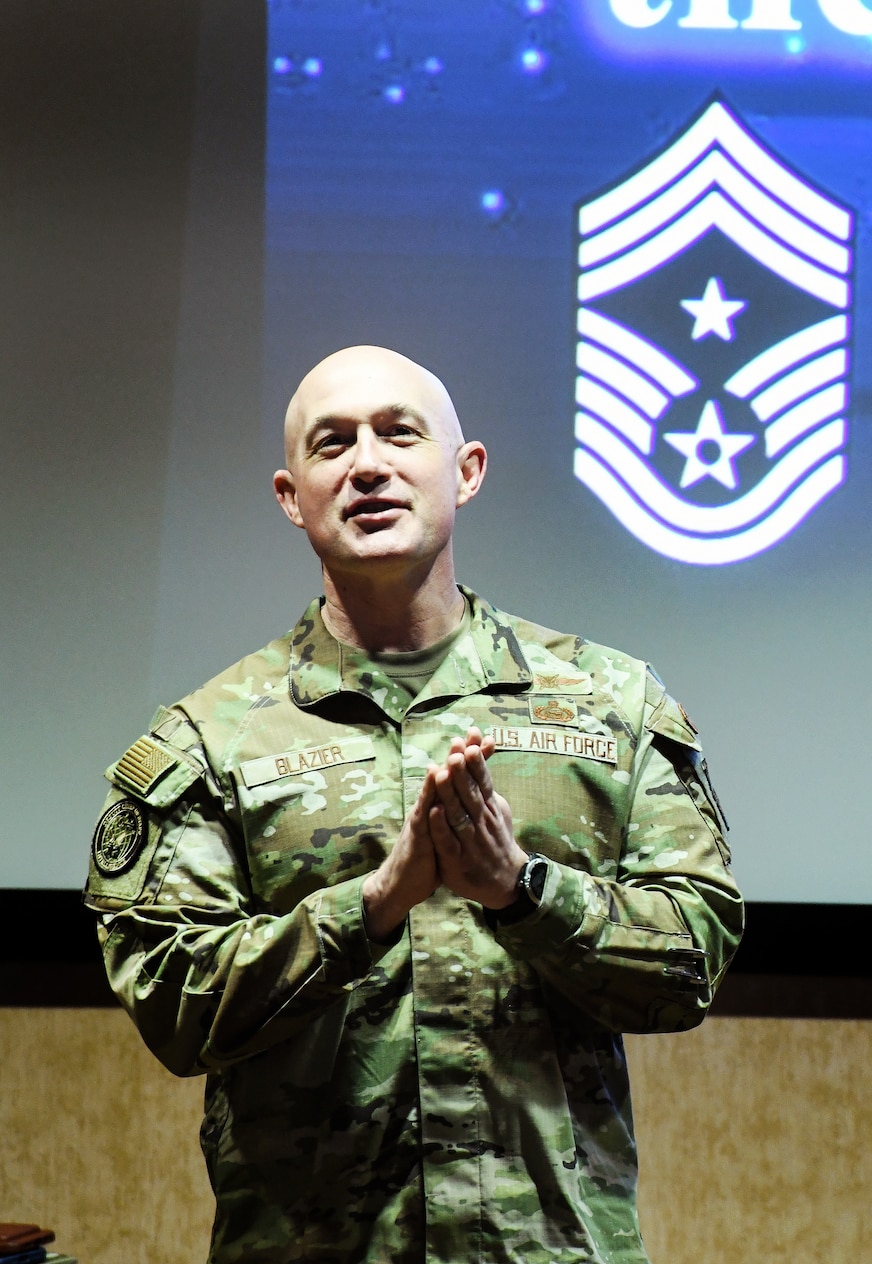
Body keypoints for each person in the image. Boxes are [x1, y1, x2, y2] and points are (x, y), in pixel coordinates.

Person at [83, 346, 742, 1264]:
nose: (367, 464)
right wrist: (372, 905)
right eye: (332, 444)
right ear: (290, 496)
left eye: (400, 433)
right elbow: (176, 1005)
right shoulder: (210, 741)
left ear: (465, 472)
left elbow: (691, 960)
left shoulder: (610, 702)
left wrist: (521, 891)